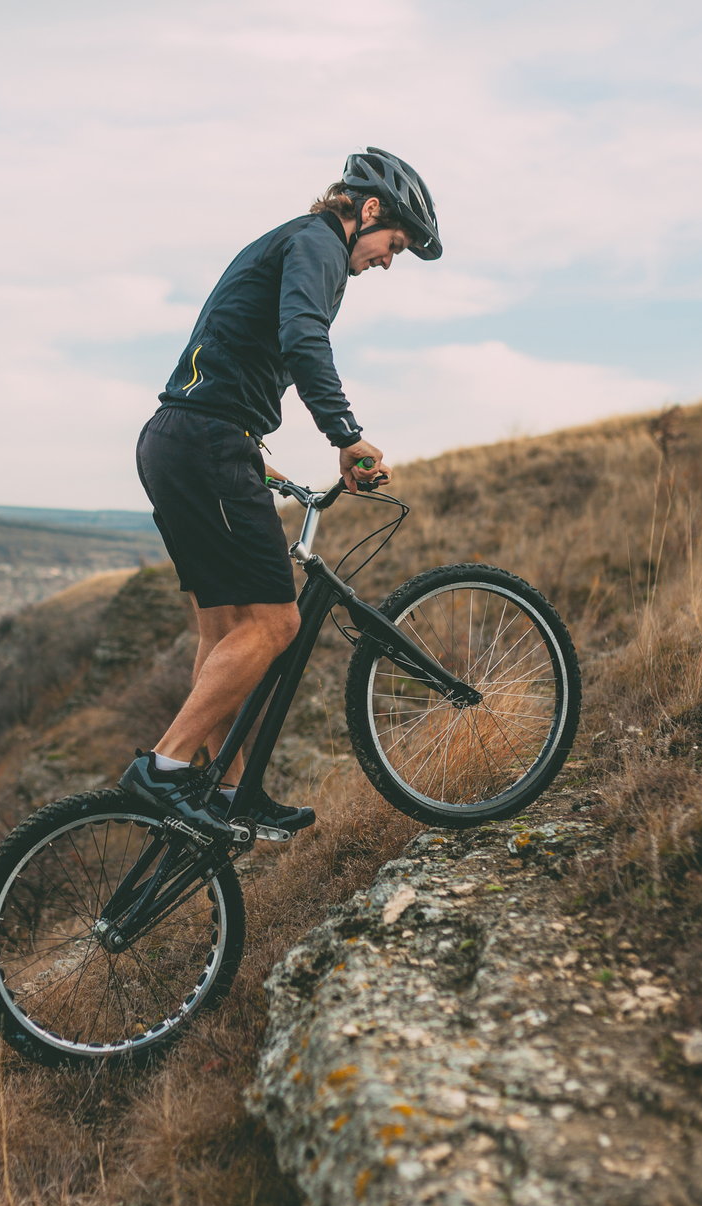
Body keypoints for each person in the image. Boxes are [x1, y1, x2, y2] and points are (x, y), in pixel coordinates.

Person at [120, 147, 443, 843]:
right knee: (276, 625)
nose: (391, 260)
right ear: (369, 210)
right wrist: (347, 435)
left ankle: (231, 790)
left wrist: (256, 459)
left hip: (185, 437)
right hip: (206, 440)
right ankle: (164, 767)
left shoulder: (297, 245)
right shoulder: (317, 242)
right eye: (396, 243)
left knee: (226, 628)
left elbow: (247, 354)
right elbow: (303, 339)